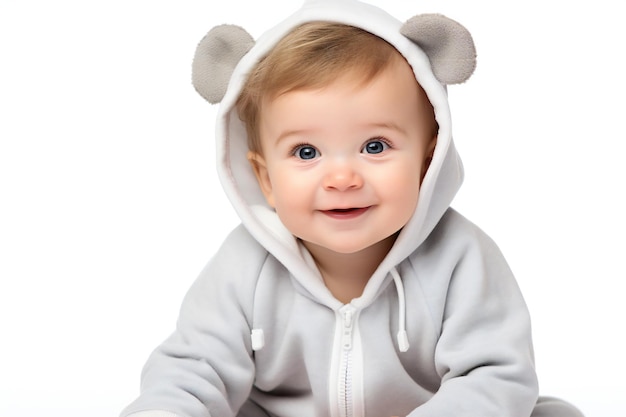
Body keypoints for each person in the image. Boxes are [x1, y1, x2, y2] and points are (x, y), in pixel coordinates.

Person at [121, 1, 584, 416]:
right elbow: (193, 367)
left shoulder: (462, 256)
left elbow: (496, 373)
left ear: (428, 160)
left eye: (375, 146)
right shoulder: (243, 266)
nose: (342, 178)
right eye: (306, 153)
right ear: (265, 179)